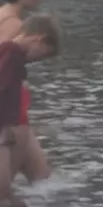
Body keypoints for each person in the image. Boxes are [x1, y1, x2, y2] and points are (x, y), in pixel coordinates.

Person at [0, 15, 60, 207]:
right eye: (42, 55)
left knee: (7, 194)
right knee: (4, 192)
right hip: (2, 131)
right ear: (38, 39)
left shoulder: (11, 54)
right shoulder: (12, 53)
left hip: (6, 130)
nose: (36, 60)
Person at [0, 0, 50, 186]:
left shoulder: (3, 14)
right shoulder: (14, 25)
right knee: (13, 184)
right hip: (11, 110)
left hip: (13, 107)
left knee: (43, 179)